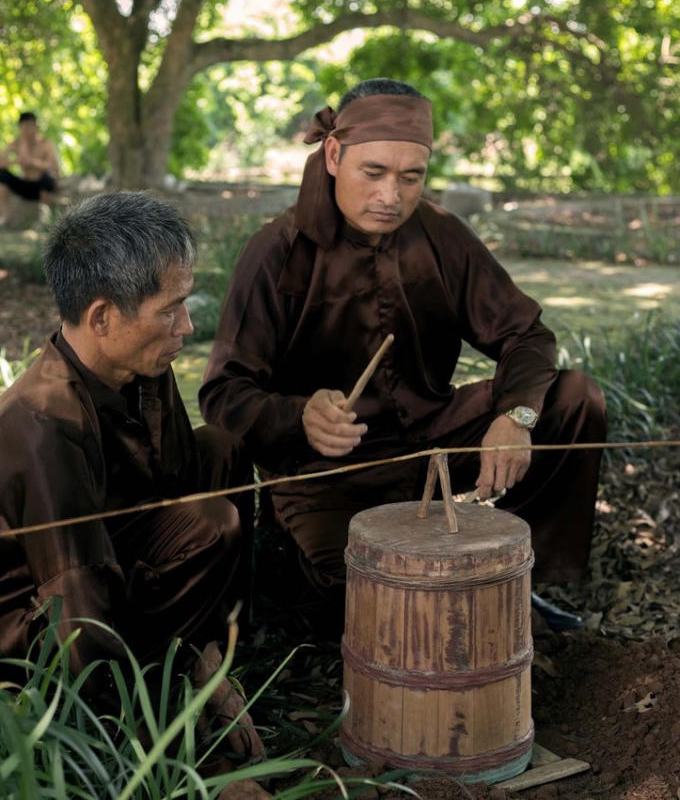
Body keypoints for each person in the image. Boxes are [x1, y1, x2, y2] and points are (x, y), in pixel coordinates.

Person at [199, 78, 607, 633]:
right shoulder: (275, 251)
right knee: (371, 597)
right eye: (375, 173)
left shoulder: (440, 234)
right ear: (335, 154)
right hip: (326, 472)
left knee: (573, 399)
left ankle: (518, 580)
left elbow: (526, 334)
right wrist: (299, 416)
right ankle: (286, 562)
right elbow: (223, 393)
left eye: (410, 177)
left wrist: (516, 417)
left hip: (431, 443)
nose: (391, 196)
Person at [0, 192, 263, 760]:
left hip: (106, 549)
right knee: (213, 522)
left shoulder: (139, 367)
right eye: (170, 309)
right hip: (37, 621)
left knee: (220, 449)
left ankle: (209, 648)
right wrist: (152, 746)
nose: (187, 327)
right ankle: (159, 701)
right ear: (102, 317)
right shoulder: (43, 422)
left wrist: (209, 663)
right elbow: (73, 604)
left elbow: (177, 482)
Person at [0, 111, 59, 224]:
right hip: (26, 186)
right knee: (1, 174)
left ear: (36, 126)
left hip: (43, 186)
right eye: (25, 127)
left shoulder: (45, 143)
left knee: (46, 178)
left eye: (31, 126)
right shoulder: (16, 143)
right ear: (20, 128)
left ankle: (45, 217)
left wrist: (33, 162)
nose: (28, 130)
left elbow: (54, 168)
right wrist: (16, 161)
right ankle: (4, 215)